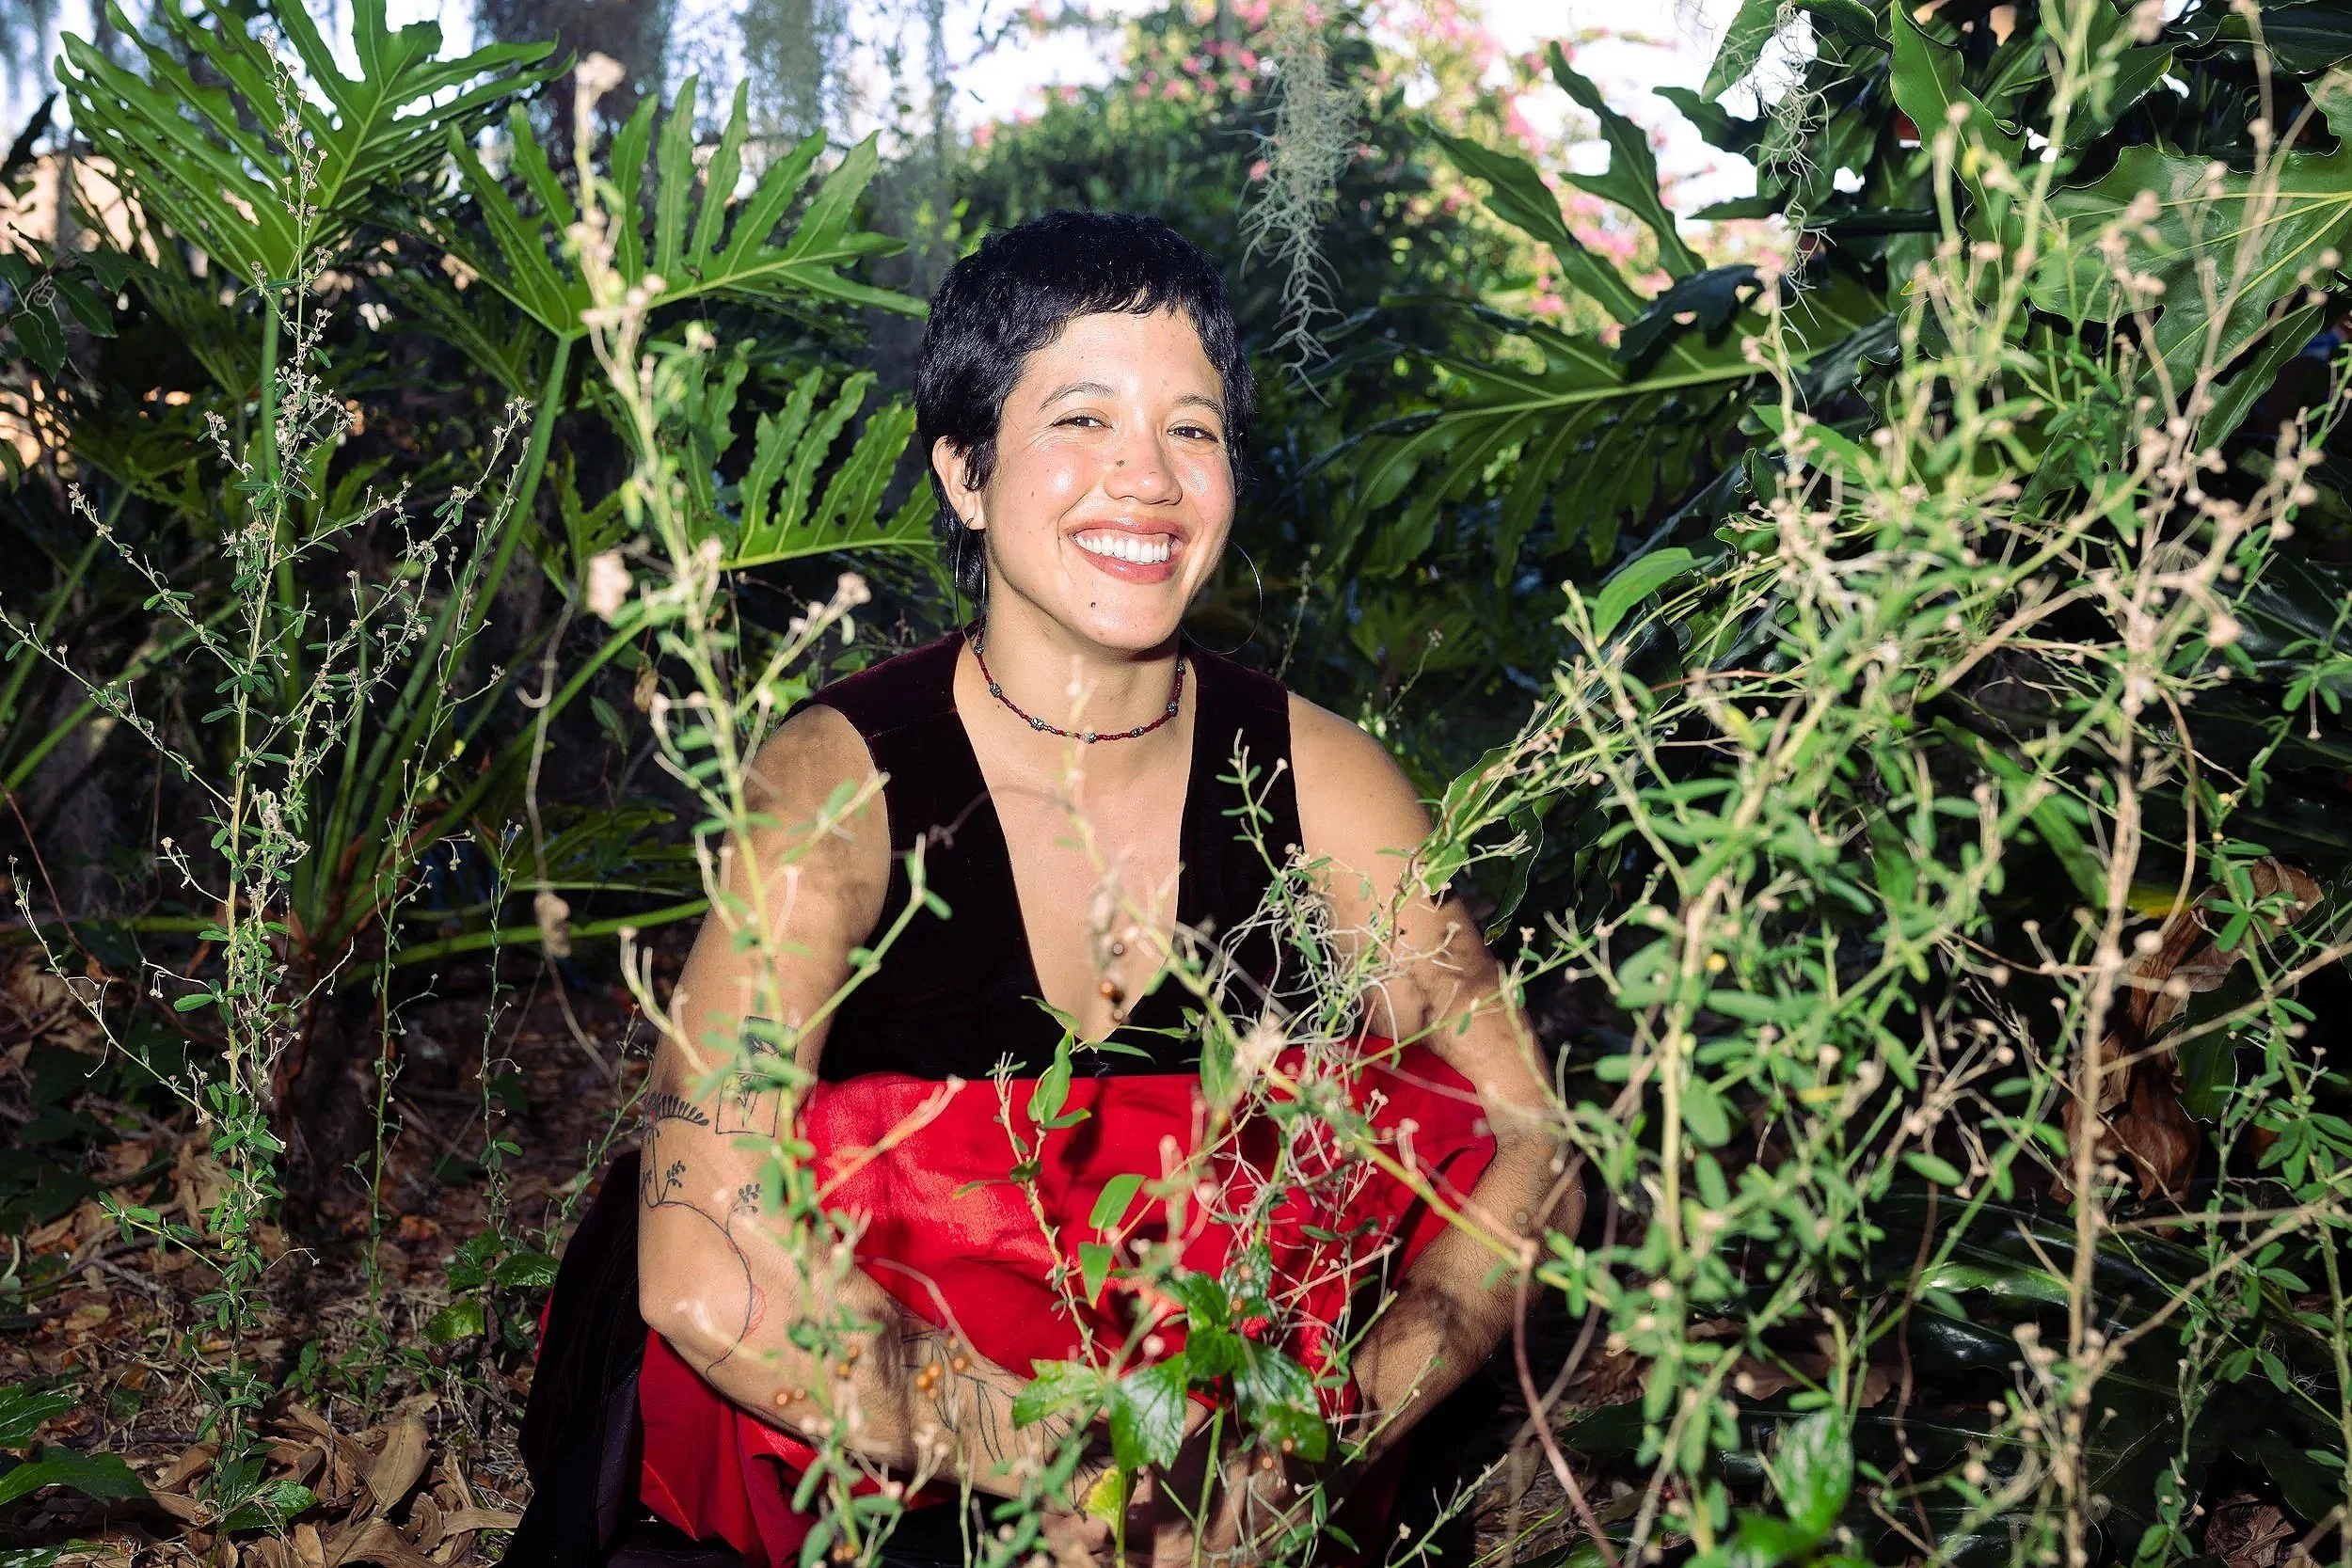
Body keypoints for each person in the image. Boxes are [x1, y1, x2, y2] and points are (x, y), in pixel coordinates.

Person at [508, 211, 1565, 1568]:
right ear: (964, 470)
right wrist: (1080, 1469)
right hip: (860, 1432)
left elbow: (1527, 1134)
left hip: (1235, 1432)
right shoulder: (836, 783)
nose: (1148, 479)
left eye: (1192, 429)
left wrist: (1323, 1429)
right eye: (1081, 418)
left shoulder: (1323, 777)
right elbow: (703, 1255)